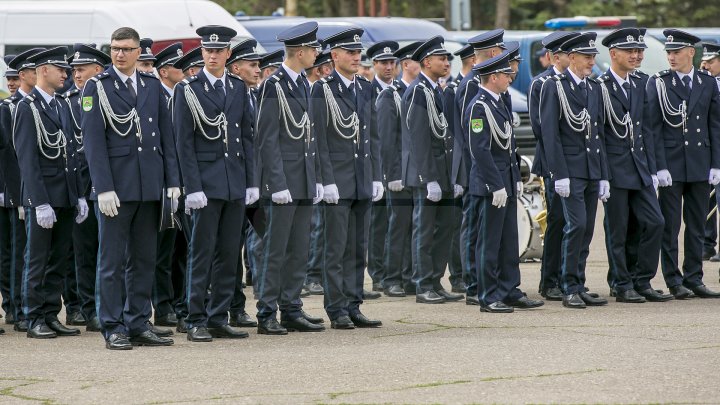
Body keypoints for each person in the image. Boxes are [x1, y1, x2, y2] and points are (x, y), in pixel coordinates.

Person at [82, 26, 181, 350]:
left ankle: (138, 321)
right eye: (115, 48)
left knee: (144, 259)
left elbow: (166, 137)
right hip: (117, 189)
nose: (120, 54)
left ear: (139, 53)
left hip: (148, 186)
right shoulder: (97, 87)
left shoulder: (151, 85)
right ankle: (113, 325)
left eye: (126, 48)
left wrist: (172, 182)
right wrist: (103, 187)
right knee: (111, 262)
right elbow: (93, 142)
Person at [173, 25, 256, 342]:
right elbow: (184, 143)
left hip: (234, 182)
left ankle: (219, 316)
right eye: (208, 50)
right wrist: (192, 187)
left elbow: (245, 135)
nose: (212, 55)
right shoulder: (188, 90)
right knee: (201, 253)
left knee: (228, 254)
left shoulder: (237, 86)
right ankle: (195, 318)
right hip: (205, 187)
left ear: (228, 55)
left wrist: (249, 181)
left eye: (218, 51)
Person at [254, 21, 325, 335]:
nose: (316, 53)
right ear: (300, 51)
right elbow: (267, 139)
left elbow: (309, 138)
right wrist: (277, 184)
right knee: (276, 250)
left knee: (299, 249)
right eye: (313, 48)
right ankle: (267, 311)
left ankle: (292, 308)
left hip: (304, 181)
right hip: (283, 184)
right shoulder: (275, 85)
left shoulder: (304, 84)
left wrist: (317, 179)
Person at [312, 27, 384, 328]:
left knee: (357, 247)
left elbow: (373, 136)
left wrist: (377, 175)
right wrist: (325, 180)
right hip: (337, 182)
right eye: (351, 53)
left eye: (358, 53)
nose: (357, 58)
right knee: (336, 248)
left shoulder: (365, 88)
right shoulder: (322, 89)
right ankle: (337, 308)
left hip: (360, 178)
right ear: (335, 55)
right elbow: (318, 139)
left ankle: (354, 304)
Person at [14, 46, 87, 338]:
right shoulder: (27, 106)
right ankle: (33, 318)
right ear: (44, 70)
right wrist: (39, 202)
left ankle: (50, 314)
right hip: (43, 197)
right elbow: (27, 159)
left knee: (58, 259)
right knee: (37, 259)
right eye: (61, 70)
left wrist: (79, 194)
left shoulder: (61, 105)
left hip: (65, 195)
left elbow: (72, 153)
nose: (65, 75)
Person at [463, 49, 544, 313]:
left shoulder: (500, 101)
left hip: (506, 182)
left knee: (509, 241)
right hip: (490, 187)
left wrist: (515, 177)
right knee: (489, 243)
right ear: (494, 76)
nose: (511, 77)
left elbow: (508, 145)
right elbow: (480, 151)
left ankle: (510, 290)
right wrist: (495, 184)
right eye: (506, 73)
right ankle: (487, 295)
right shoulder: (479, 106)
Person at [597, 28, 671, 303]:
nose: (637, 55)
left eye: (639, 51)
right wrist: (602, 174)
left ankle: (642, 279)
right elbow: (597, 134)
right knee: (618, 229)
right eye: (630, 51)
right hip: (615, 169)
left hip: (639, 167)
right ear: (613, 53)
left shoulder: (642, 83)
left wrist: (654, 169)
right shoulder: (600, 86)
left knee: (654, 222)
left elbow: (648, 130)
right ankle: (621, 282)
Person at [647, 29, 720, 299]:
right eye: (669, 52)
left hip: (700, 163)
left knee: (697, 224)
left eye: (676, 52)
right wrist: (659, 166)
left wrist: (716, 163)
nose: (671, 57)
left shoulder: (707, 82)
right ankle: (673, 280)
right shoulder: (660, 83)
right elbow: (652, 128)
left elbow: (714, 125)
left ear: (692, 52)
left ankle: (694, 277)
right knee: (670, 226)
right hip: (672, 165)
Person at [539, 32, 609, 309]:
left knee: (587, 229)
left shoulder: (592, 88)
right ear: (570, 58)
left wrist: (603, 174)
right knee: (575, 225)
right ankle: (568, 285)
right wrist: (559, 173)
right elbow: (549, 134)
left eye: (593, 56)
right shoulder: (554, 87)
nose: (591, 61)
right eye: (586, 57)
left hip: (591, 168)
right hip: (569, 169)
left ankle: (578, 283)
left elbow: (599, 133)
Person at [402, 36, 464, 304]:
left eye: (447, 58)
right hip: (428, 173)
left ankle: (435, 281)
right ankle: (422, 283)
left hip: (443, 171)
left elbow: (446, 135)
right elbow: (417, 140)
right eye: (442, 58)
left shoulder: (436, 90)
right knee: (425, 230)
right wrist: (429, 179)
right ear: (427, 62)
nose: (446, 62)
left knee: (445, 229)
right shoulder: (418, 91)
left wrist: (453, 176)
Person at [453, 29, 506, 306]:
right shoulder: (473, 87)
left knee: (485, 235)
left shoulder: (488, 91)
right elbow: (471, 139)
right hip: (479, 174)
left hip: (490, 174)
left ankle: (483, 287)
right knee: (476, 233)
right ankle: (476, 286)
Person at [527, 30, 580, 300]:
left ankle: (567, 277)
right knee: (556, 221)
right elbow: (541, 127)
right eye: (563, 54)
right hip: (551, 164)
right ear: (554, 57)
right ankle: (549, 281)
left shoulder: (577, 83)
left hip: (573, 164)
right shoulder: (542, 83)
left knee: (570, 223)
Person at [64, 44, 112, 332]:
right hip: (80, 187)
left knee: (108, 253)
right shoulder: (68, 101)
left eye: (81, 70)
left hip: (106, 187)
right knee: (84, 252)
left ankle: (107, 305)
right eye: (73, 71)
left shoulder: (108, 98)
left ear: (98, 70)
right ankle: (86, 307)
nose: (76, 75)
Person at [1, 48, 46, 333]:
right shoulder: (10, 107)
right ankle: (14, 307)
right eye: (32, 71)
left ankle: (21, 306)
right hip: (13, 189)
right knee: (13, 252)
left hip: (27, 190)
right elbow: (10, 154)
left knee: (23, 251)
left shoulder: (39, 104)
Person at [225, 37, 263, 328]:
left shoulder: (255, 94)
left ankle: (243, 306)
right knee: (228, 249)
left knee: (256, 244)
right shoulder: (232, 93)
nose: (258, 69)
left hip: (253, 183)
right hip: (230, 182)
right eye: (252, 65)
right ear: (235, 67)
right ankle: (232, 307)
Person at [379, 41, 422, 297]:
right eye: (418, 60)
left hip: (416, 171)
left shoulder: (418, 92)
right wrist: (392, 174)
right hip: (399, 173)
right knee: (398, 227)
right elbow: (387, 139)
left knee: (413, 228)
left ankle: (409, 276)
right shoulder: (390, 95)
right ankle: (392, 277)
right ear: (407, 64)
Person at [151, 41, 187, 330]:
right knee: (163, 253)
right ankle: (163, 307)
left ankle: (178, 302)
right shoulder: (158, 97)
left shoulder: (180, 95)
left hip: (180, 184)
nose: (185, 71)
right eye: (179, 66)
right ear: (164, 72)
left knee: (181, 250)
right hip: (162, 185)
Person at [366, 40, 399, 294]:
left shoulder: (397, 90)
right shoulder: (370, 91)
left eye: (392, 63)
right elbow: (380, 139)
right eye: (383, 63)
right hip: (378, 168)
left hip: (396, 169)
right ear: (374, 65)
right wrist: (384, 173)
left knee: (392, 224)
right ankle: (377, 273)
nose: (389, 67)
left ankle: (392, 270)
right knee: (378, 225)